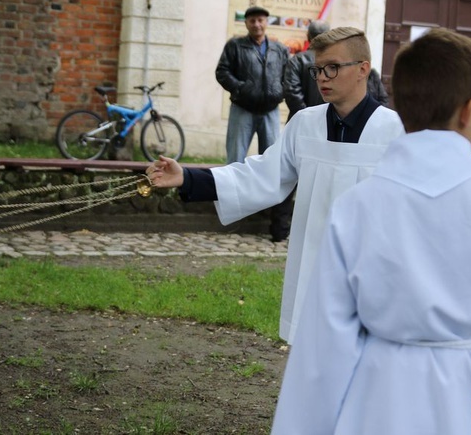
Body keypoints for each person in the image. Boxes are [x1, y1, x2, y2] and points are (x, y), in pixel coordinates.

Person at [271, 28, 471, 434]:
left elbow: (322, 349)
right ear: (469, 112)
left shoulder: (357, 209)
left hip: (382, 401)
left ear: (403, 107)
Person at [148, 27, 405, 344]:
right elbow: (262, 175)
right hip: (313, 261)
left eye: (333, 68)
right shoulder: (305, 124)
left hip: (369, 266)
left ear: (363, 69)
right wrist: (187, 177)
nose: (322, 77)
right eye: (317, 69)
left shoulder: (395, 131)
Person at [215, 5, 292, 242]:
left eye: (260, 20)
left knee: (271, 160)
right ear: (246, 24)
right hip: (243, 109)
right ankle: (232, 212)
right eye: (252, 21)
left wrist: (279, 92)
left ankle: (264, 207)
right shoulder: (235, 46)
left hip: (270, 110)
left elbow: (287, 75)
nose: (256, 25)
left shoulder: (279, 49)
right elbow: (222, 72)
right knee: (235, 159)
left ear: (267, 22)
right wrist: (240, 88)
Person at [282, 20, 330, 119]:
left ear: (308, 35)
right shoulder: (336, 61)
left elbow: (292, 93)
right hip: (327, 120)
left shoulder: (297, 60)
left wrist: (307, 116)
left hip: (300, 121)